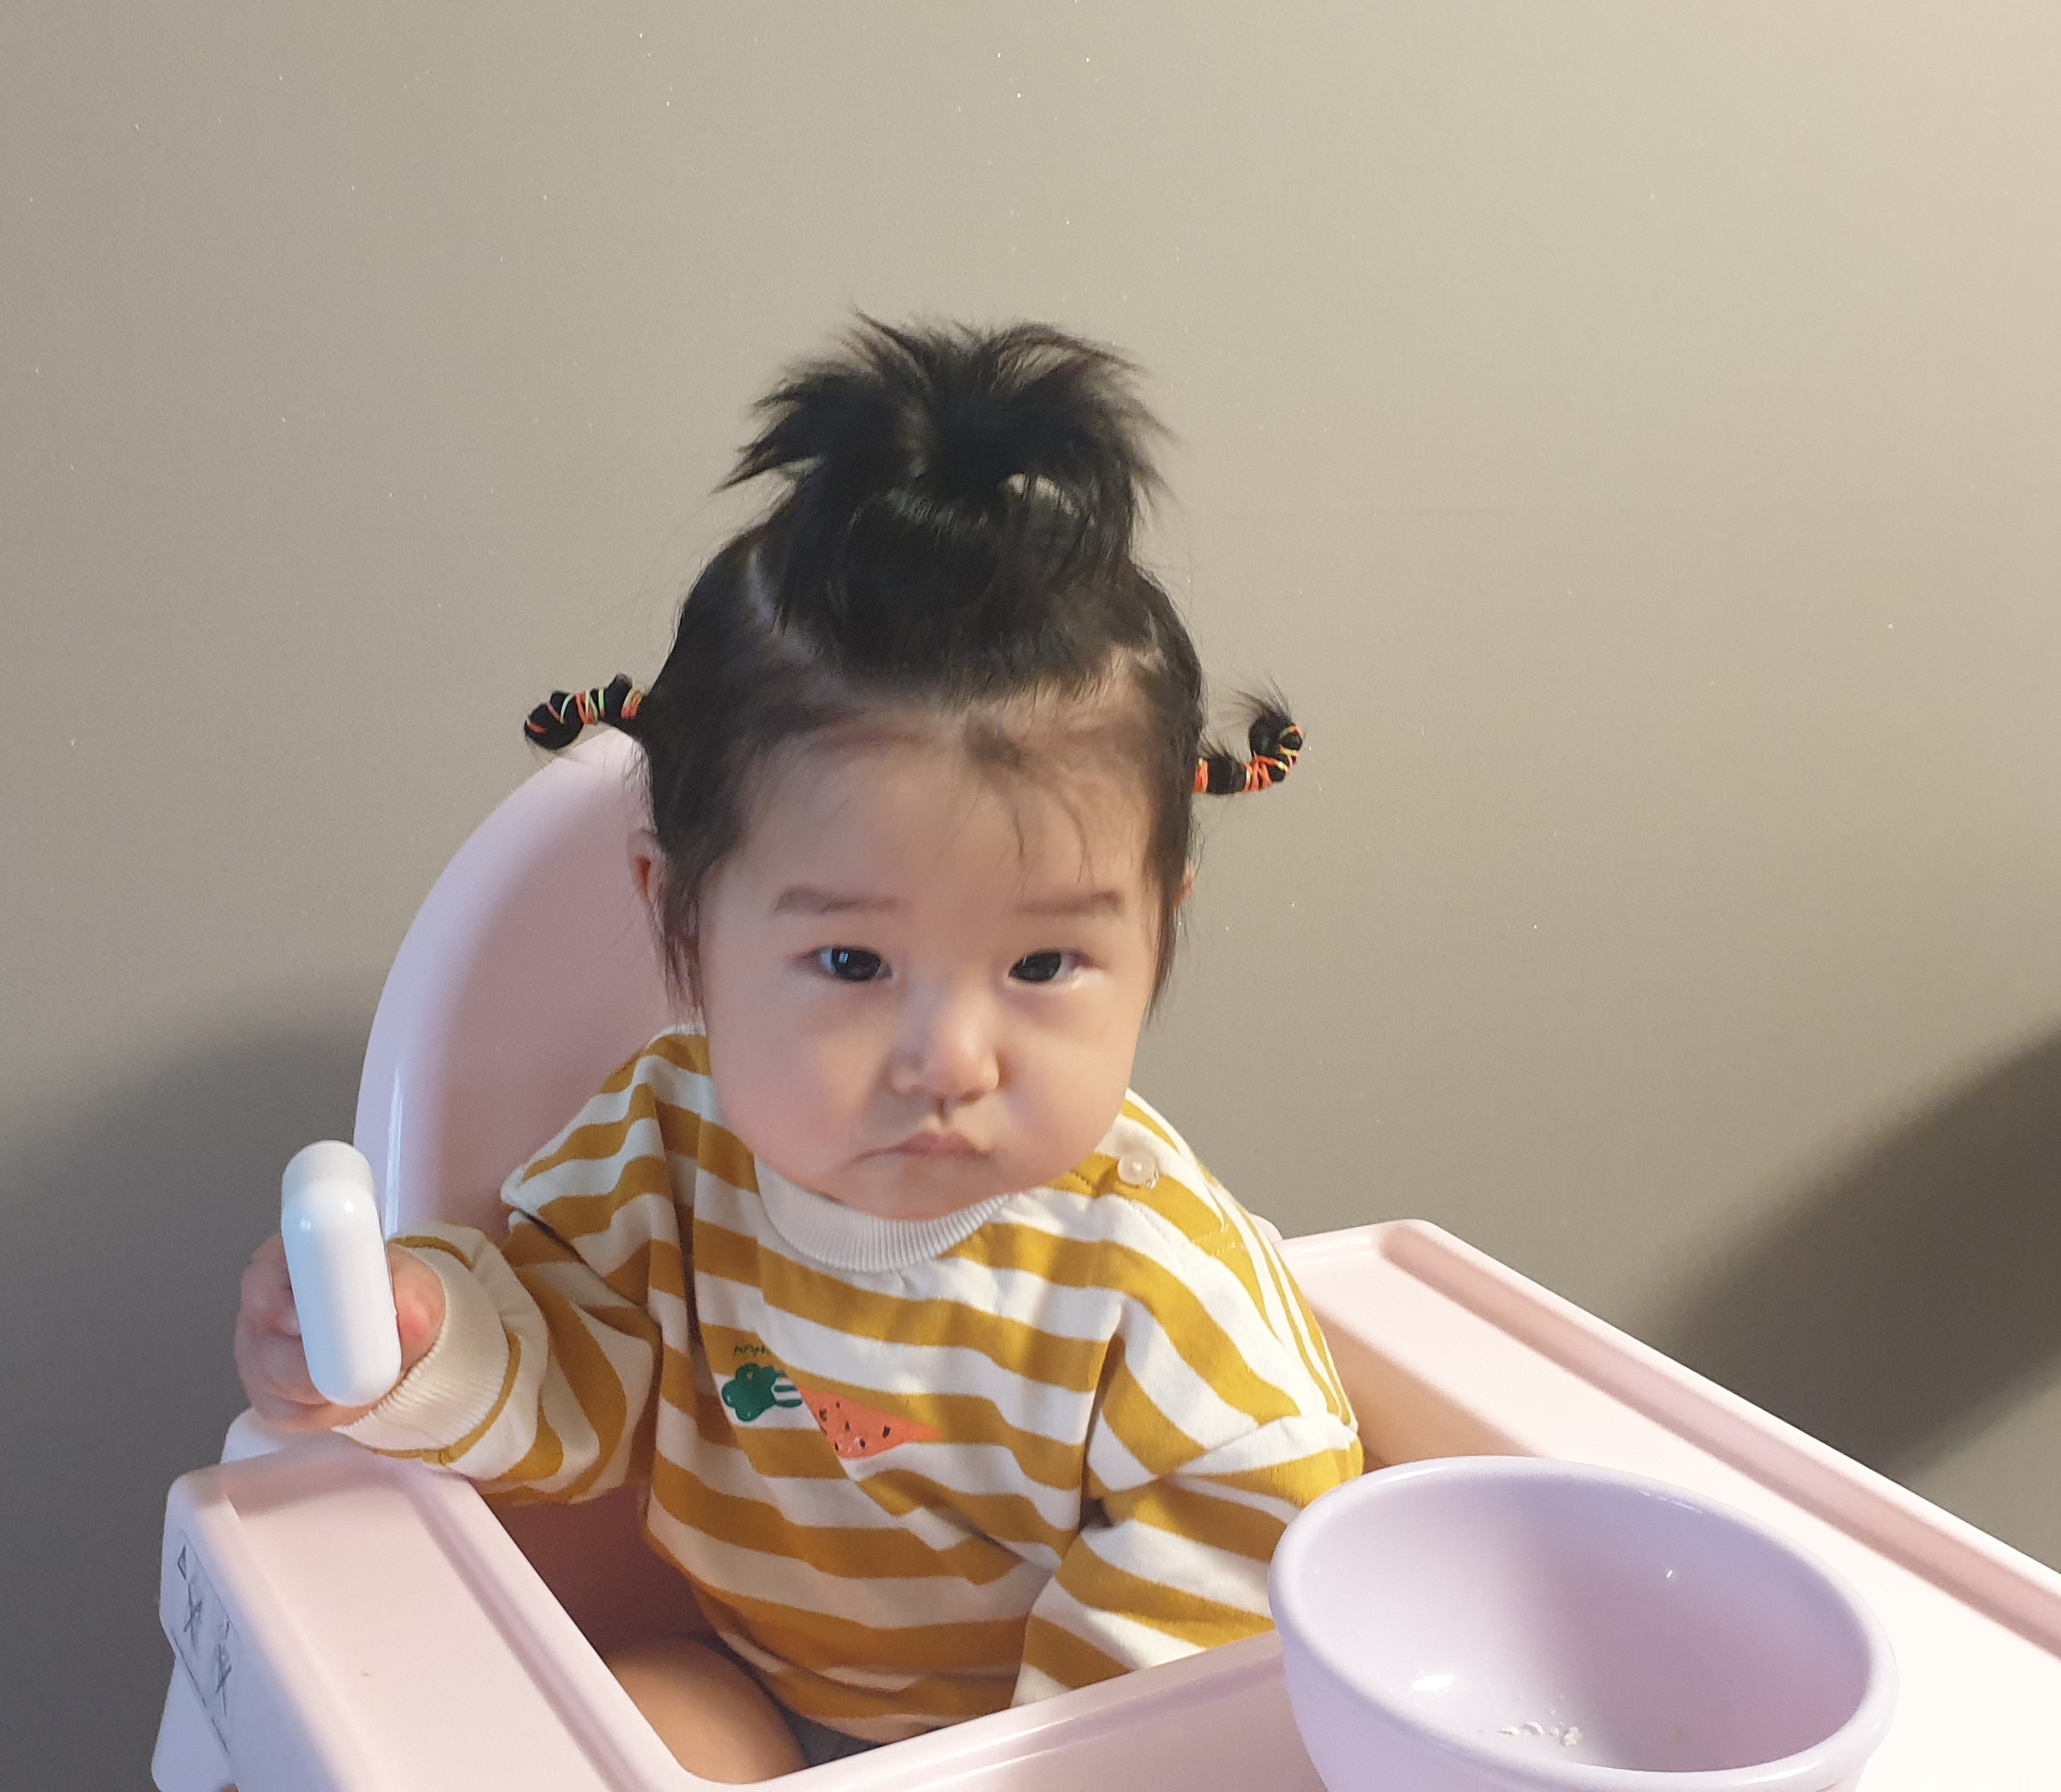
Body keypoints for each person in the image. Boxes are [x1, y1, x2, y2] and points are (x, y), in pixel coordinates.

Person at [232, 318, 1360, 1782]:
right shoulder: (662, 1150)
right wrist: (413, 1341)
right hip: (759, 1689)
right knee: (610, 1733)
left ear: (1159, 930)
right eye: (851, 964)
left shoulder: (1163, 1296)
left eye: (1042, 965)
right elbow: (572, 1374)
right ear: (683, 917)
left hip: (1039, 1744)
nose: (949, 1059)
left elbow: (1205, 1636)